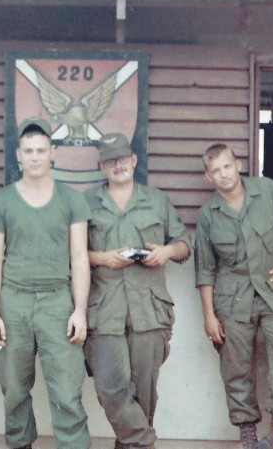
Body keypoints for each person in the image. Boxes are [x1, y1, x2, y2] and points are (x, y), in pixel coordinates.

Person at [194, 144, 273, 449]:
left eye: (227, 166)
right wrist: (209, 315)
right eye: (216, 171)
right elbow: (205, 269)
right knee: (235, 366)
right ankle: (248, 434)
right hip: (231, 298)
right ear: (208, 177)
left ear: (238, 164)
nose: (223, 175)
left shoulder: (267, 190)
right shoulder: (208, 214)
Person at [0, 117, 91, 449]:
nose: (35, 156)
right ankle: (20, 444)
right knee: (14, 389)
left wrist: (80, 310)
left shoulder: (72, 200)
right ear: (19, 154)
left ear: (52, 153)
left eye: (41, 150)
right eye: (28, 150)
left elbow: (80, 257)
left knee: (67, 391)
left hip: (58, 302)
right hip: (13, 302)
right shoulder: (1, 202)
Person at [84, 133, 191, 449]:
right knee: (110, 387)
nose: (118, 165)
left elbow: (185, 245)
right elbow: (70, 252)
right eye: (110, 160)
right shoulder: (86, 203)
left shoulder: (157, 200)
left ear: (134, 160)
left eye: (123, 158)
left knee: (144, 394)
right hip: (104, 310)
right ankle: (145, 443)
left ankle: (131, 445)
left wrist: (166, 253)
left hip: (149, 310)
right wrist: (102, 258)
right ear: (102, 166)